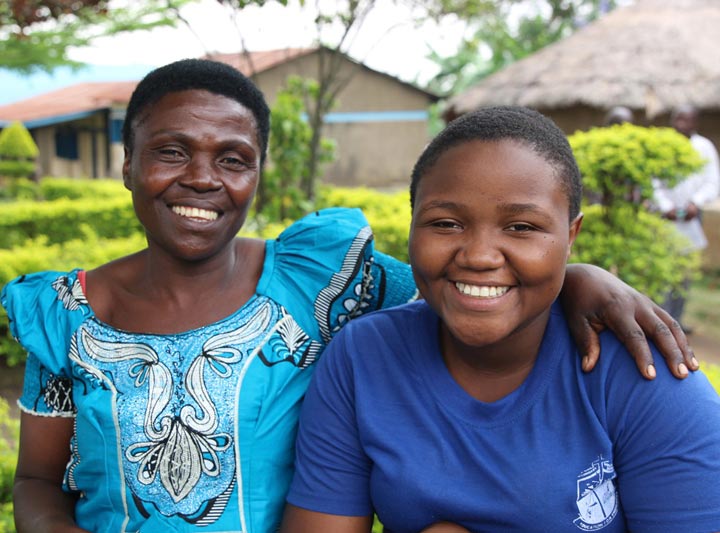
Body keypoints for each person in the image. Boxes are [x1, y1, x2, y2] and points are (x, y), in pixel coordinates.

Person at [0, 60, 696, 533]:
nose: (201, 178)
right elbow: (34, 478)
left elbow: (462, 283)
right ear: (128, 162)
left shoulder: (321, 283)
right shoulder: (66, 313)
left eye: (233, 158)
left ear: (258, 174)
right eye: (171, 151)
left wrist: (578, 277)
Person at [281, 107, 720, 532]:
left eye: (522, 227)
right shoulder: (364, 358)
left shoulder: (641, 370)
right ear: (412, 225)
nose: (479, 256)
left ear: (570, 237)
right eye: (446, 223)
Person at [653, 105, 720, 332]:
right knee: (662, 269)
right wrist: (666, 207)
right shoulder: (663, 146)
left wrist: (696, 203)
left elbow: (712, 181)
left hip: (692, 217)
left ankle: (677, 320)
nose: (682, 124)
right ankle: (661, 318)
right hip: (664, 217)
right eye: (678, 119)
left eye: (687, 120)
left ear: (695, 122)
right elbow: (653, 182)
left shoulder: (704, 147)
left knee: (684, 271)